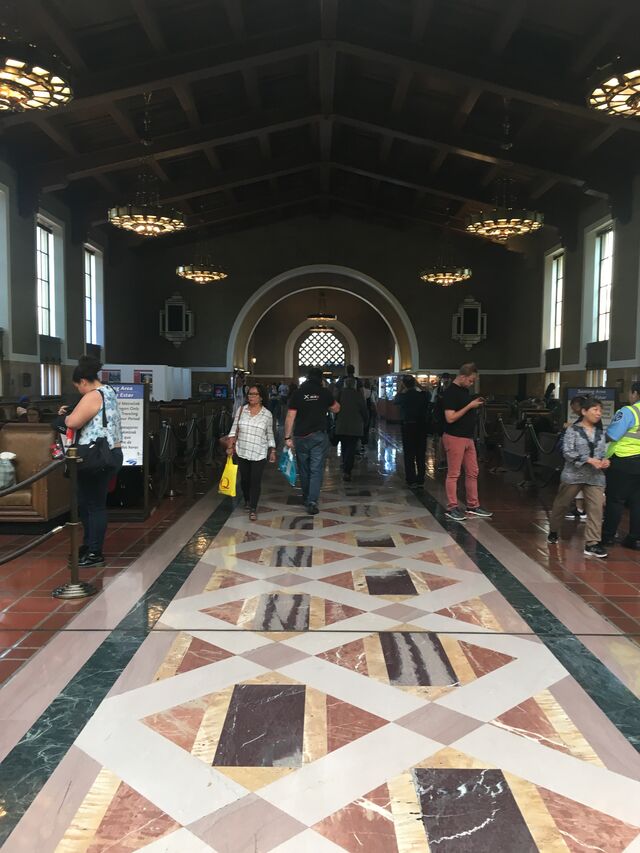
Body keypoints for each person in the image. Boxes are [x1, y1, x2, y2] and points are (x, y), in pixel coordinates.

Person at [59, 356, 123, 568]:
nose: (79, 390)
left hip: (94, 456)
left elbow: (73, 422)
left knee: (93, 505)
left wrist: (66, 416)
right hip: (110, 453)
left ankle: (94, 551)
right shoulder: (110, 392)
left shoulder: (93, 395)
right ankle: (89, 547)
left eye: (78, 386)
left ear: (83, 382)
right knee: (88, 503)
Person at [547, 398, 609, 558]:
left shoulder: (600, 433)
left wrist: (604, 461)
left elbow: (602, 453)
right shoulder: (572, 431)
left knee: (596, 509)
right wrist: (588, 460)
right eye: (595, 410)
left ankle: (592, 543)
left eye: (600, 410)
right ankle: (553, 530)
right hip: (573, 475)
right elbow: (567, 452)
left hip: (595, 477)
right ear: (584, 412)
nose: (598, 413)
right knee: (561, 505)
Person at [284, 367, 340, 515]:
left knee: (303, 468)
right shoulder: (324, 392)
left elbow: (290, 416)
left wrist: (287, 437)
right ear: (321, 378)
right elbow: (336, 409)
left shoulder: (298, 393)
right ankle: (312, 501)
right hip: (318, 436)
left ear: (307, 377)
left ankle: (306, 496)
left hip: (301, 436)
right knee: (316, 469)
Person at [441, 363, 492, 521]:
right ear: (462, 377)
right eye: (470, 380)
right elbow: (450, 418)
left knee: (473, 472)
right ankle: (452, 507)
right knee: (454, 474)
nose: (471, 383)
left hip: (468, 437)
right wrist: (470, 405)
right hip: (454, 437)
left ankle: (473, 505)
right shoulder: (450, 393)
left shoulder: (464, 391)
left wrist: (473, 402)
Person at [226, 384, 276, 521]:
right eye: (250, 394)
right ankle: (247, 500)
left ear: (261, 397)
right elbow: (233, 429)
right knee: (245, 480)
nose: (251, 396)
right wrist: (230, 446)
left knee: (255, 480)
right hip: (243, 450)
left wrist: (272, 449)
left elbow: (270, 433)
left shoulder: (267, 414)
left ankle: (253, 508)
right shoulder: (241, 410)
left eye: (254, 394)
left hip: (259, 452)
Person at [602, 381, 640, 549]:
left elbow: (613, 435)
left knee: (615, 500)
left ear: (635, 393)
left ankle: (608, 537)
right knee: (638, 502)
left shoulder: (629, 411)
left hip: (623, 460)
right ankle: (635, 538)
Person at [393, 375, 429, 490]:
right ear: (414, 383)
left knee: (409, 453)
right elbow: (428, 394)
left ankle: (411, 479)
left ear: (404, 384)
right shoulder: (422, 396)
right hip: (421, 427)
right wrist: (418, 385)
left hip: (408, 426)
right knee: (420, 453)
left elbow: (395, 400)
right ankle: (420, 479)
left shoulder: (403, 397)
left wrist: (400, 388)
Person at [335, 377, 368, 481]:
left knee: (344, 446)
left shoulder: (340, 394)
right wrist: (366, 422)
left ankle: (345, 464)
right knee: (351, 448)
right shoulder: (358, 395)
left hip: (341, 425)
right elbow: (364, 410)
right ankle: (347, 470)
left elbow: (334, 409)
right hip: (355, 426)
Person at [562, 395, 587, 522]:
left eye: (575, 408)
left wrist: (570, 427)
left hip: (584, 457)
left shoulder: (587, 419)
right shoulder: (582, 418)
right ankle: (580, 509)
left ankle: (583, 510)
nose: (574, 410)